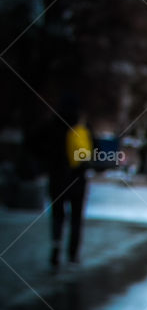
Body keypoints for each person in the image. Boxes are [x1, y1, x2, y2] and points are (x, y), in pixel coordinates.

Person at [43, 94, 93, 270]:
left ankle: (55, 250)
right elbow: (93, 151)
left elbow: (36, 144)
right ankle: (73, 255)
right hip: (78, 180)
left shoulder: (52, 125)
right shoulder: (82, 127)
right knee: (76, 218)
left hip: (57, 179)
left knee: (57, 216)